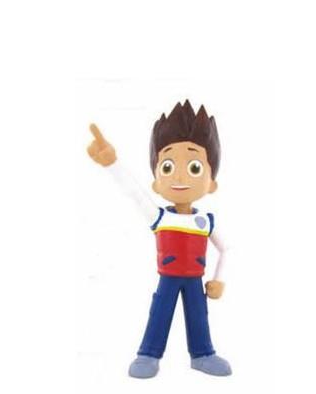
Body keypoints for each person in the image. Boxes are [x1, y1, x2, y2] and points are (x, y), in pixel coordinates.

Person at [87, 100, 231, 378]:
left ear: (212, 182)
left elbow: (227, 249)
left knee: (199, 315)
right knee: (160, 313)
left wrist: (219, 279)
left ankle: (203, 353)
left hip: (195, 279)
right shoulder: (160, 216)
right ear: (156, 180)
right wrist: (112, 164)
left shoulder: (205, 221)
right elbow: (134, 193)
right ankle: (148, 354)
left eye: (194, 168)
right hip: (168, 278)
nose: (179, 175)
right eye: (167, 166)